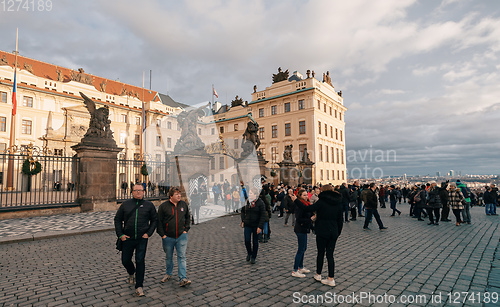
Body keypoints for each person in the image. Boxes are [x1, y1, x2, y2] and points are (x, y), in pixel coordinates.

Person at [294, 185, 343, 286]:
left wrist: (296, 200)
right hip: (333, 231)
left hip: (322, 230)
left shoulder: (321, 202)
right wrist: (338, 232)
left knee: (320, 253)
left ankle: (318, 274)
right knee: (330, 255)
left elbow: (307, 208)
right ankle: (331, 278)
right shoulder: (338, 202)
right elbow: (340, 220)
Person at [114, 184, 158, 297]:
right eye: (136, 190)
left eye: (140, 190)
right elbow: (117, 219)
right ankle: (131, 272)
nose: (138, 192)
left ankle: (139, 286)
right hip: (127, 238)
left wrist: (148, 233)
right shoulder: (125, 205)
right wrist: (120, 235)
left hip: (141, 238)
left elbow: (154, 220)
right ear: (132, 192)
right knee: (125, 260)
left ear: (144, 192)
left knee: (140, 260)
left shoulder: (149, 205)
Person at [157, 187, 192, 287]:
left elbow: (188, 217)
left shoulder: (183, 205)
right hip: (168, 237)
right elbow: (159, 222)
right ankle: (168, 273)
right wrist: (163, 235)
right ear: (171, 196)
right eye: (177, 194)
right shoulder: (163, 207)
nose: (179, 196)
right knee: (169, 257)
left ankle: (183, 278)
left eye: (179, 194)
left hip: (181, 236)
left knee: (182, 257)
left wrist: (186, 230)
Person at [291, 189, 314, 278]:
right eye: (304, 195)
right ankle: (295, 270)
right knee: (301, 249)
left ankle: (300, 267)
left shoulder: (306, 204)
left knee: (304, 248)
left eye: (306, 195)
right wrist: (310, 219)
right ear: (299, 196)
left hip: (304, 228)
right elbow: (299, 219)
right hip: (300, 229)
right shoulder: (299, 206)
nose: (306, 196)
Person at [240, 187, 266, 264]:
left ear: (255, 195)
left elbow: (263, 215)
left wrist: (260, 226)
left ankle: (253, 256)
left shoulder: (260, 203)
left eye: (251, 193)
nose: (249, 194)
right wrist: (243, 219)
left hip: (256, 225)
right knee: (247, 240)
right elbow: (242, 211)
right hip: (247, 224)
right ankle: (249, 253)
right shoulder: (247, 202)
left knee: (255, 242)